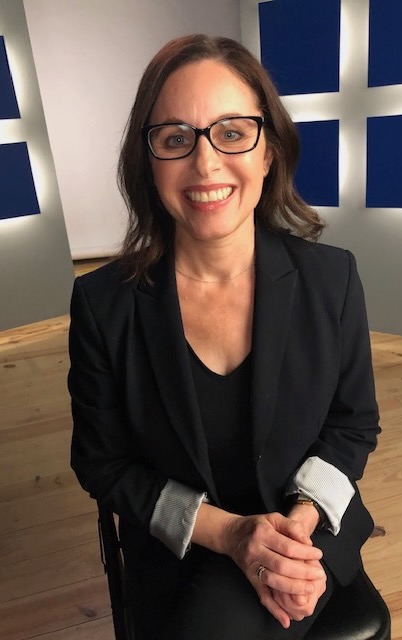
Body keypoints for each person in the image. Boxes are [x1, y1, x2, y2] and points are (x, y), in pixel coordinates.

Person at [69, 34, 380, 639]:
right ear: (148, 160)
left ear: (269, 151)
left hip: (307, 538)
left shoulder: (332, 278)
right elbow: (104, 464)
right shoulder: (103, 304)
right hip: (183, 548)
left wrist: (298, 528)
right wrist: (232, 534)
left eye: (233, 132)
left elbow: (351, 426)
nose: (206, 163)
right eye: (176, 139)